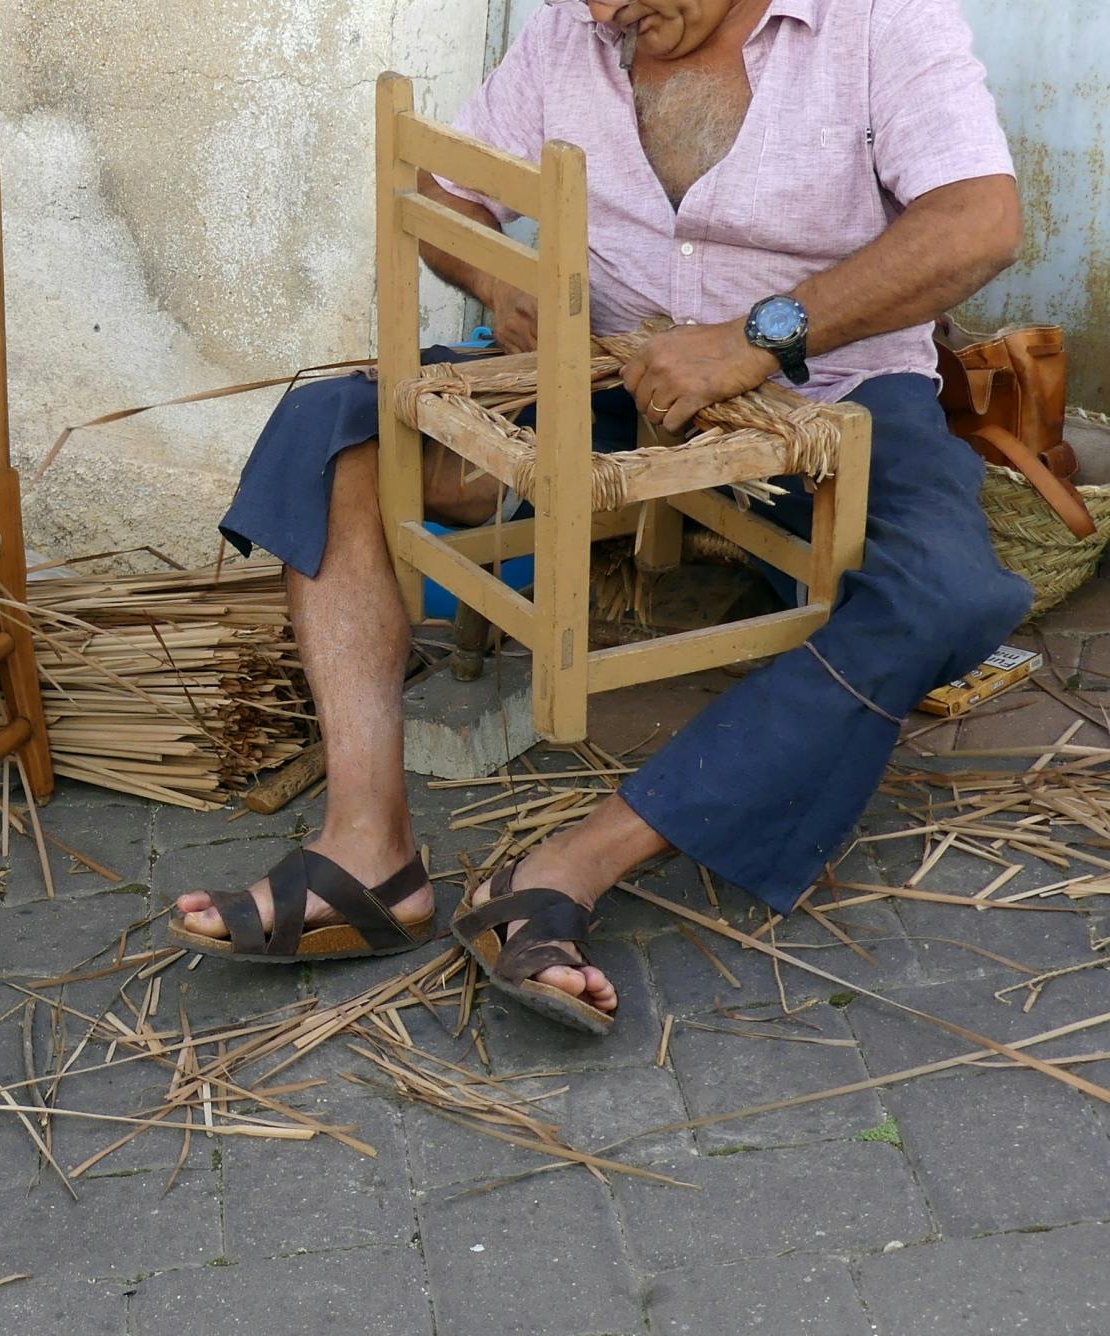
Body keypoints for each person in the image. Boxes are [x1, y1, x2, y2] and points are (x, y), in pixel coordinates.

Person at [171, 0, 1030, 1033]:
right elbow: (440, 182)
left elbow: (979, 220)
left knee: (944, 594)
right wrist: (487, 269)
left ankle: (571, 865)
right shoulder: (574, 28)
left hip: (831, 395)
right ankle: (367, 850)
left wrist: (760, 336)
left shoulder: (879, 21)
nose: (604, 14)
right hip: (611, 374)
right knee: (333, 433)